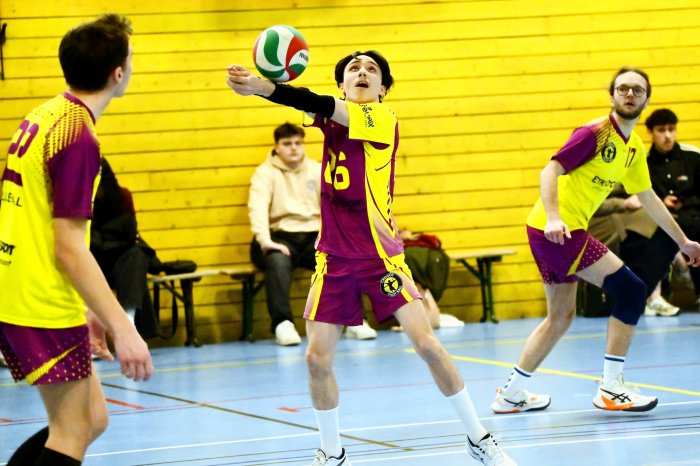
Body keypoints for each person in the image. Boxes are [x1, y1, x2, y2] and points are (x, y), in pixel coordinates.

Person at [227, 51, 515, 465]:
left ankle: (480, 438)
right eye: (353, 69)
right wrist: (266, 87)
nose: (362, 72)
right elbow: (306, 103)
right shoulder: (329, 118)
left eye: (372, 70)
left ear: (383, 90)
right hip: (333, 260)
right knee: (316, 360)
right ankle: (332, 453)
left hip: (381, 258)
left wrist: (262, 86)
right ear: (342, 85)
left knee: (428, 346)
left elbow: (312, 100)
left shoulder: (382, 118)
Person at [491, 67, 700, 416]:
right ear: (612, 95)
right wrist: (554, 217)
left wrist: (683, 241)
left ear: (647, 98)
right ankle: (611, 388)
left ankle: (510, 394)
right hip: (557, 230)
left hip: (550, 232)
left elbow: (647, 197)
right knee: (632, 290)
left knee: (560, 317)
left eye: (637, 90)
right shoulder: (595, 133)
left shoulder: (632, 147)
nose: (629, 94)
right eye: (623, 88)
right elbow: (550, 170)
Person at [0, 14, 153, 466]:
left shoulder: (46, 114)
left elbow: (37, 221)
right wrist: (124, 328)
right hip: (38, 299)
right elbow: (68, 244)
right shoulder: (79, 139)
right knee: (72, 432)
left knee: (93, 418)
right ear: (118, 73)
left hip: (26, 286)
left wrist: (89, 308)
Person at [248, 122, 377, 345]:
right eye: (287, 144)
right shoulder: (264, 173)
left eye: (298, 143)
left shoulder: (317, 170)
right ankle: (283, 324)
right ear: (277, 147)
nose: (294, 148)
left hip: (313, 236)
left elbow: (336, 206)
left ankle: (355, 321)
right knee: (277, 262)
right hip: (279, 237)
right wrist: (265, 241)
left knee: (342, 259)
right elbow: (257, 209)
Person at [91, 157, 161, 339]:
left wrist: (107, 240)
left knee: (136, 255)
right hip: (92, 261)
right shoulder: (74, 201)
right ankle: (100, 331)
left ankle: (129, 318)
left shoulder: (121, 197)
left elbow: (128, 232)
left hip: (118, 261)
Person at [645, 108, 700, 306]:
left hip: (693, 216)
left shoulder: (693, 156)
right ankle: (659, 296)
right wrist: (662, 201)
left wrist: (685, 202)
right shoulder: (643, 162)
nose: (667, 135)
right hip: (661, 219)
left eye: (671, 129)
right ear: (651, 132)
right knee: (653, 237)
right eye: (661, 130)